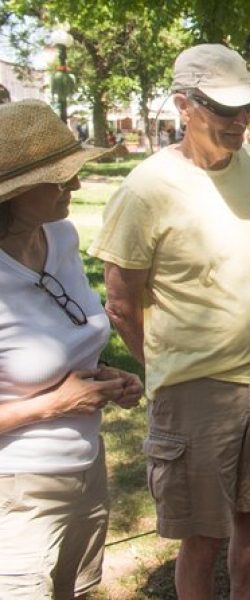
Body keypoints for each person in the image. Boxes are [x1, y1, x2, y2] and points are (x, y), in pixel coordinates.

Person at [88, 43, 250, 599]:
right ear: (184, 105)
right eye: (224, 108)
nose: (241, 121)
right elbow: (121, 303)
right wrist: (164, 363)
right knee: (202, 538)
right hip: (194, 389)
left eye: (246, 108)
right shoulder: (146, 190)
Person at [0, 99, 142, 599]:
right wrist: (56, 404)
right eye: (59, 178)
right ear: (13, 195)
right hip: (17, 488)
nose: (76, 185)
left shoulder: (60, 236)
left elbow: (63, 339)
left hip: (85, 468)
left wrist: (104, 375)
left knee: (76, 592)